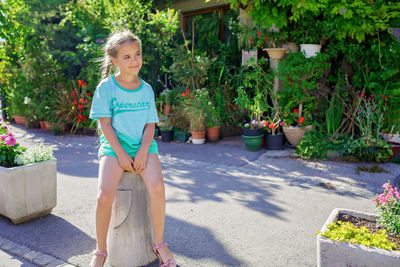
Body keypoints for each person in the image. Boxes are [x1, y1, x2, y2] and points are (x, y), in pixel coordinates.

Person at [88, 30, 176, 267]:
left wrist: (142, 152)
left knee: (157, 187)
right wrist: (122, 154)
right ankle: (101, 251)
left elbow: (150, 125)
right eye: (126, 57)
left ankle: (159, 244)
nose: (135, 60)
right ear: (114, 60)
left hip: (144, 145)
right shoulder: (106, 88)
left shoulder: (146, 89)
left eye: (137, 54)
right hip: (114, 146)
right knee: (104, 195)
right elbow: (105, 125)